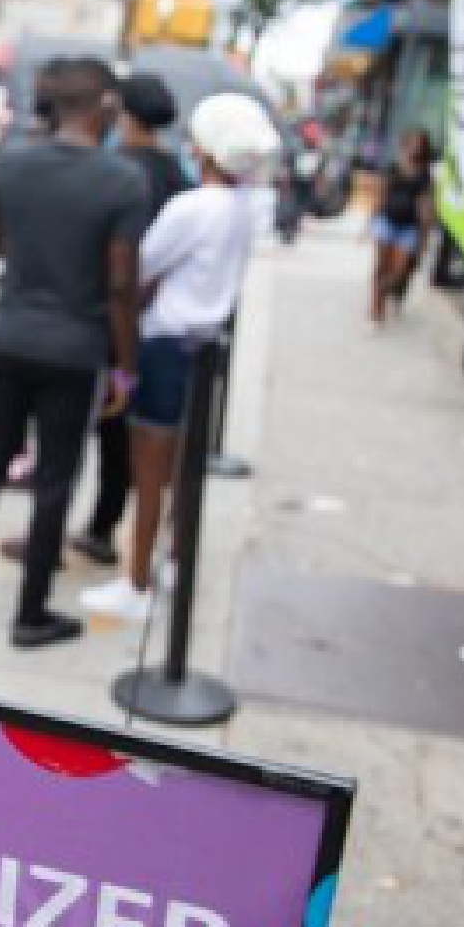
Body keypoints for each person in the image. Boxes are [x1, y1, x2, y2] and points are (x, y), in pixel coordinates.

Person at [0, 58, 145, 649]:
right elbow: (120, 285)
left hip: (10, 336)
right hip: (74, 347)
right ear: (106, 106)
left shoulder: (12, 163)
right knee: (55, 480)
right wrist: (125, 366)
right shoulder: (122, 181)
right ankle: (30, 613)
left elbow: (3, 241)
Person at [80, 94, 280, 624]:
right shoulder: (244, 206)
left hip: (164, 345)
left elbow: (140, 267)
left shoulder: (194, 206)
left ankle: (136, 582)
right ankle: (168, 559)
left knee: (149, 471)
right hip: (203, 348)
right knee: (181, 470)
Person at [72, 73, 188, 567]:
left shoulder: (115, 168)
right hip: (155, 321)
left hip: (108, 313)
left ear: (125, 114)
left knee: (92, 426)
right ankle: (107, 522)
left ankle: (95, 529)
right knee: (130, 431)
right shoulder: (178, 174)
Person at [371, 128, 435, 325]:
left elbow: (425, 205)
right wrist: (371, 221)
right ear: (406, 143)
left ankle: (380, 294)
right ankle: (376, 308)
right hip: (387, 221)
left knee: (399, 271)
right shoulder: (394, 167)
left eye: (420, 144)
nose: (416, 147)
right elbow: (381, 193)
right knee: (381, 266)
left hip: (409, 227)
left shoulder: (425, 174)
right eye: (413, 142)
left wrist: (424, 236)